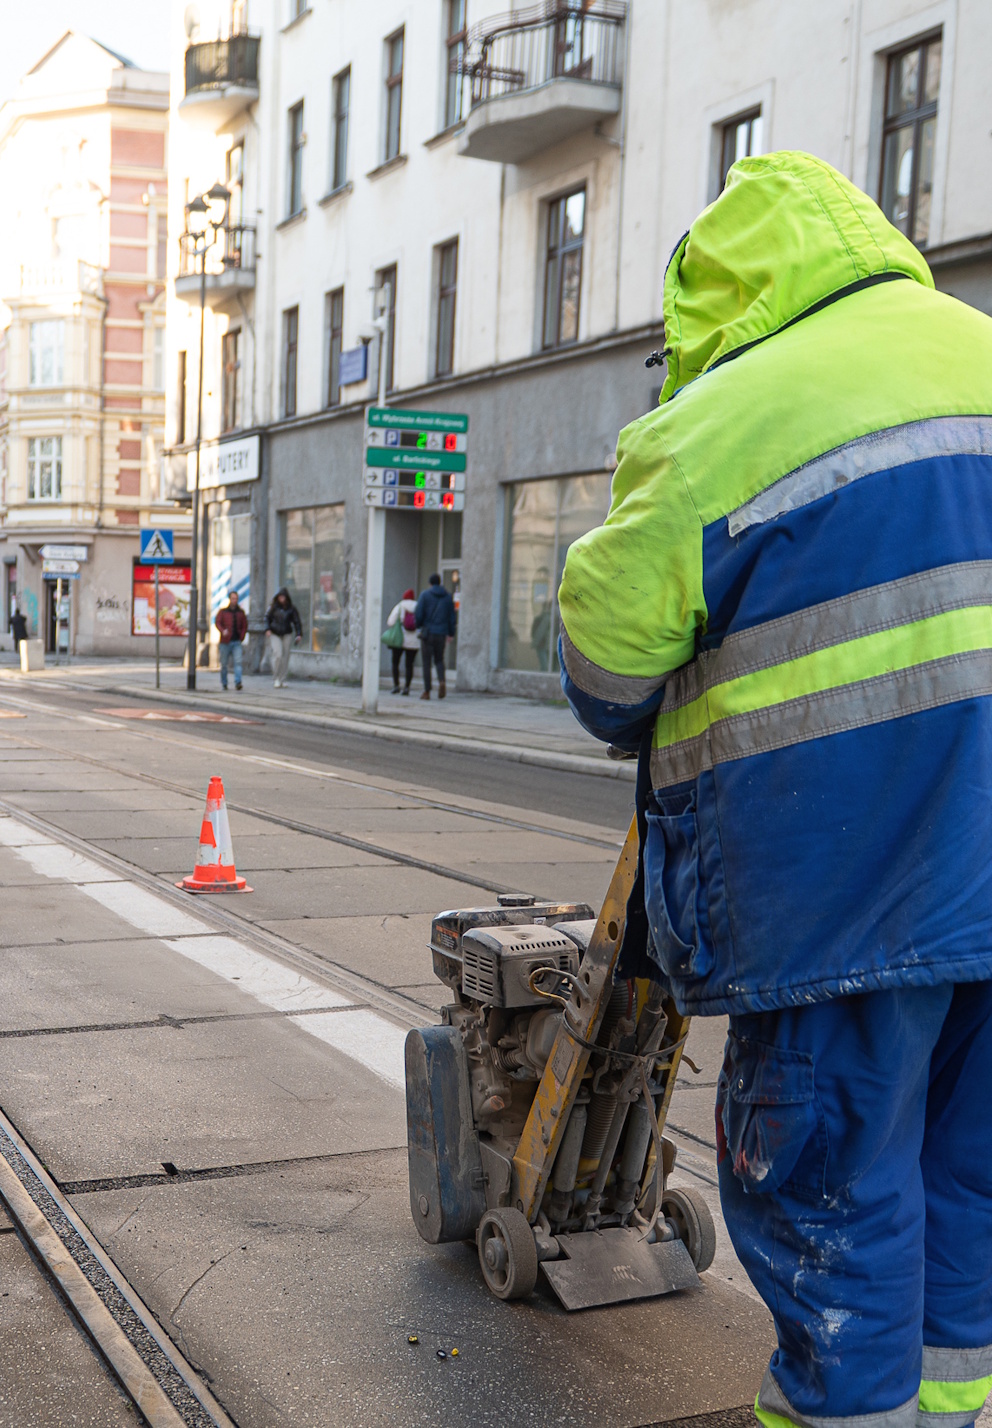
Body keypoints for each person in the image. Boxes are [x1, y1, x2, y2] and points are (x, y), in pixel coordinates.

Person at [556, 151, 992, 1428]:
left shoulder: (715, 423)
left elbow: (605, 674)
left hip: (841, 897)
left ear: (715, 302)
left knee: (831, 1198)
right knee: (966, 1185)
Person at [412, 575, 454, 699]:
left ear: (430, 583)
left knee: (426, 662)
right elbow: (452, 617)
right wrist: (451, 633)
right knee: (439, 659)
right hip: (441, 633)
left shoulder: (425, 595)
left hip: (428, 633)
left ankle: (427, 691)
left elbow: (419, 613)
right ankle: (442, 680)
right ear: (440, 583)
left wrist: (418, 625)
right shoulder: (447, 597)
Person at [263, 589, 303, 688]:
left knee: (285, 656)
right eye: (280, 597)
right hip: (274, 633)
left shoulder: (291, 608)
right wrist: (267, 629)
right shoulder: (273, 607)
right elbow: (266, 618)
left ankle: (282, 678)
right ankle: (276, 677)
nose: (281, 598)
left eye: (283, 597)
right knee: (278, 654)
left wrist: (299, 634)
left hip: (287, 633)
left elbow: (297, 621)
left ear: (286, 597)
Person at [384, 588, 420, 695]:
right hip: (413, 640)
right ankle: (407, 687)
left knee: (395, 662)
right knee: (409, 664)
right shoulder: (418, 606)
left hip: (399, 639)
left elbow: (390, 622)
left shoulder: (400, 606)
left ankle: (396, 685)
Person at [214, 592, 248, 691]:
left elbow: (244, 625)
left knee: (238, 662)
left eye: (236, 598)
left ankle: (238, 682)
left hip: (236, 641)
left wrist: (241, 636)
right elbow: (218, 622)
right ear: (230, 599)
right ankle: (224, 683)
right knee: (224, 664)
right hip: (225, 642)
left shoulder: (240, 612)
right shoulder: (223, 612)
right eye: (233, 598)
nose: (235, 600)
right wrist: (222, 631)